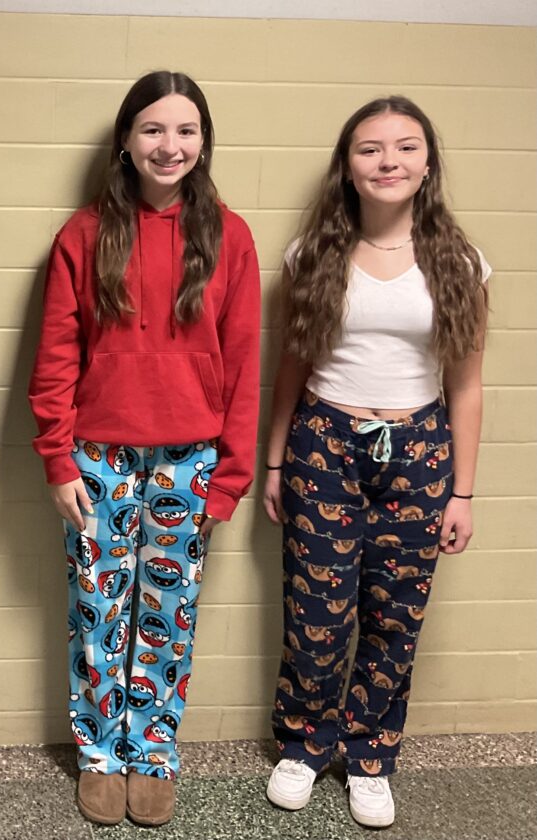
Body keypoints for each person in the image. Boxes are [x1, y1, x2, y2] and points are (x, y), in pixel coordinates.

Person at [28, 70, 261, 827]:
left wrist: (230, 477)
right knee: (97, 611)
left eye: (186, 130)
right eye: (153, 129)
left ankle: (153, 752)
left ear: (204, 141)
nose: (170, 145)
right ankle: (100, 754)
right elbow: (55, 355)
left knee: (170, 610)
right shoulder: (83, 233)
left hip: (190, 460)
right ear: (126, 141)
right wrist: (57, 456)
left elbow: (245, 362)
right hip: (98, 457)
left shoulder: (229, 236)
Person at [262, 96, 489, 829]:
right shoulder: (312, 256)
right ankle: (302, 745)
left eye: (405, 146)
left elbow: (466, 384)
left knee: (395, 615)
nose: (388, 161)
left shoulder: (460, 263)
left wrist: (462, 493)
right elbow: (291, 365)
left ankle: (369, 758)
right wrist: (274, 465)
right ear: (348, 166)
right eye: (370, 148)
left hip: (418, 450)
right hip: (323, 444)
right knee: (316, 615)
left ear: (427, 164)